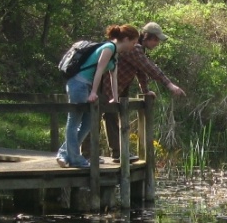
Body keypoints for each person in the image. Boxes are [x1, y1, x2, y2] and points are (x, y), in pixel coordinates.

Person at [101, 21, 186, 162]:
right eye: (156, 40)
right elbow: (149, 68)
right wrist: (169, 85)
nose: (157, 43)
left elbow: (140, 71)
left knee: (110, 117)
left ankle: (118, 153)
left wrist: (145, 91)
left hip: (117, 88)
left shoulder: (138, 50)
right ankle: (100, 154)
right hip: (106, 86)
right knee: (101, 117)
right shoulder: (135, 49)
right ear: (147, 37)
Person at [57, 24, 139, 168]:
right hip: (78, 84)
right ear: (126, 39)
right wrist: (94, 92)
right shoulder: (109, 48)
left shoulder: (115, 55)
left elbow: (114, 77)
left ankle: (64, 153)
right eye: (133, 43)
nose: (134, 46)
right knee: (74, 121)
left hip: (86, 87)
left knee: (89, 122)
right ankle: (75, 159)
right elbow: (99, 71)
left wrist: (115, 98)